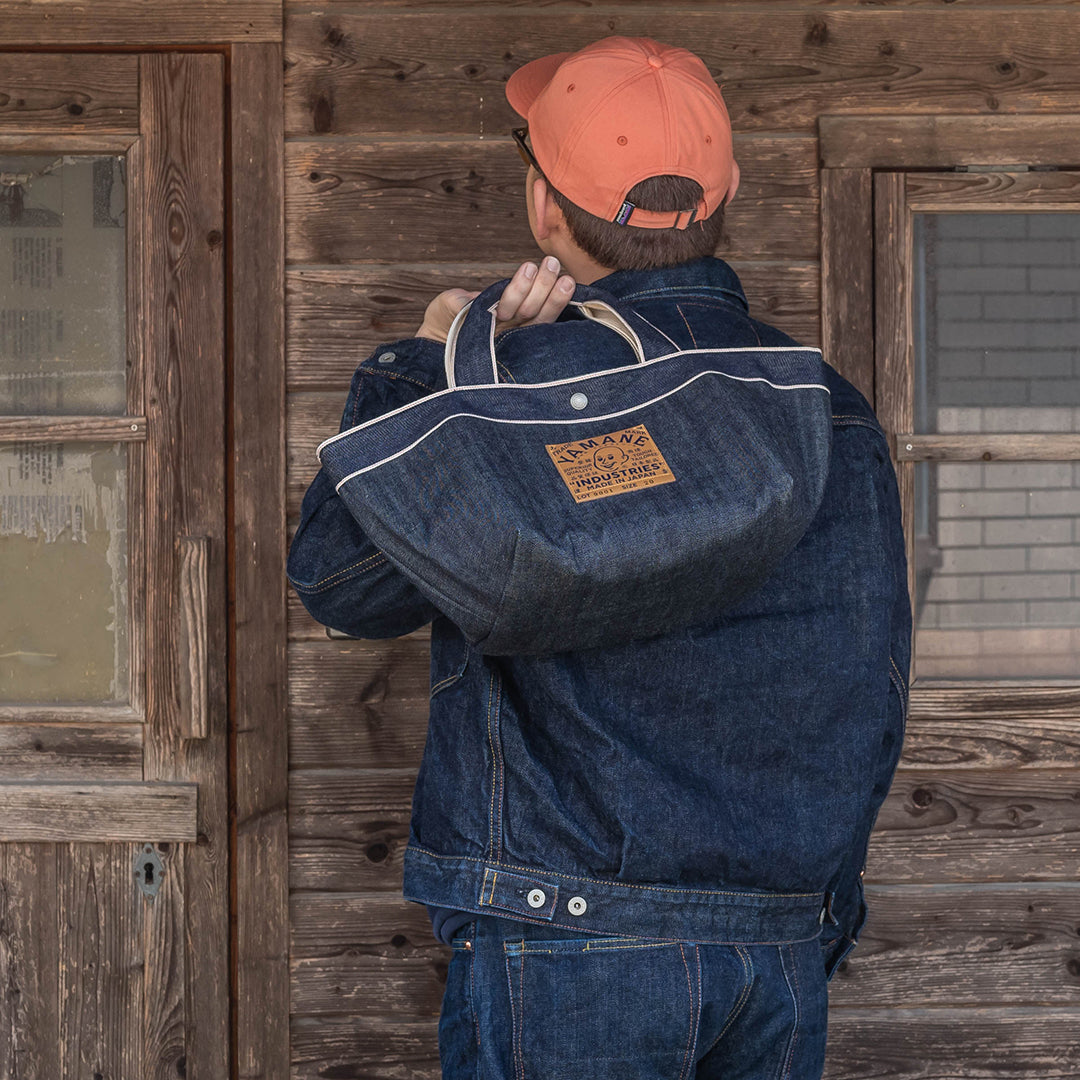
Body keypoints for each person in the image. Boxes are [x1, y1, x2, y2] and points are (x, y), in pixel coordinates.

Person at [288, 35, 911, 1080]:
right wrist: (814, 913)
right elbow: (873, 684)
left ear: (542, 207)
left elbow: (344, 580)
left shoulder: (515, 393)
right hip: (776, 944)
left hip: (564, 936)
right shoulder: (822, 411)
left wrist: (437, 370)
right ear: (732, 192)